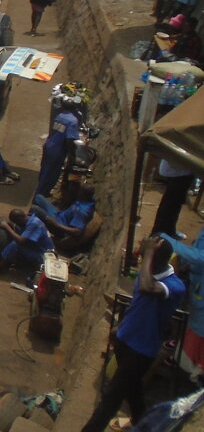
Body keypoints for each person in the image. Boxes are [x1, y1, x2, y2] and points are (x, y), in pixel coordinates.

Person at [80, 237, 185, 432]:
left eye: (143, 254)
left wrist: (148, 255)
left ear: (153, 258)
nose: (139, 256)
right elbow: (138, 304)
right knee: (132, 388)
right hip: (125, 339)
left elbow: (147, 289)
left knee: (111, 397)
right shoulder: (146, 273)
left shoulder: (174, 285)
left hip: (141, 350)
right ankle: (143, 422)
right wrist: (120, 329)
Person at [161, 227, 204, 377]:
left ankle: (194, 372)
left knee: (198, 332)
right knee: (191, 325)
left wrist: (171, 243)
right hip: (197, 288)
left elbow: (200, 257)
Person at [0, 208, 54, 277]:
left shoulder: (34, 224)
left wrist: (6, 227)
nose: (15, 223)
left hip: (43, 256)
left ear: (20, 219)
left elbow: (21, 241)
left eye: (16, 221)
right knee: (15, 229)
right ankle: (3, 246)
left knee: (15, 244)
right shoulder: (30, 218)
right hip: (36, 246)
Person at [36, 100, 82, 198]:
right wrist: (72, 155)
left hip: (49, 145)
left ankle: (41, 191)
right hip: (58, 150)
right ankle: (40, 195)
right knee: (52, 174)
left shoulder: (59, 116)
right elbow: (70, 139)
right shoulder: (72, 121)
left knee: (44, 171)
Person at [32, 183, 96, 248]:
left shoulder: (81, 211)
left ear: (83, 194)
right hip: (59, 215)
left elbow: (77, 231)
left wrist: (57, 224)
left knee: (35, 209)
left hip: (60, 225)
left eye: (80, 191)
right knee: (38, 197)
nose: (78, 192)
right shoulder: (85, 201)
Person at [151, 158, 194, 238]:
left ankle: (168, 231)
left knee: (175, 202)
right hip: (179, 167)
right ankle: (160, 235)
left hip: (182, 168)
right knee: (172, 202)